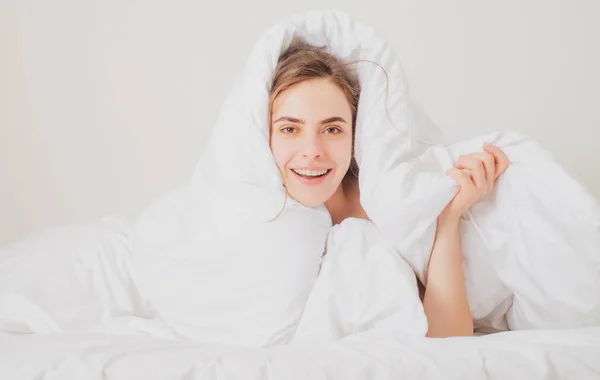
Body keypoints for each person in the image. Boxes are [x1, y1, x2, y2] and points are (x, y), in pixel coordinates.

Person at [268, 39, 510, 338]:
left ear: (355, 137)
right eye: (290, 129)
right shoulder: (257, 215)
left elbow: (449, 337)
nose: (312, 150)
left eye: (332, 129)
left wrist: (447, 218)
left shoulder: (388, 203)